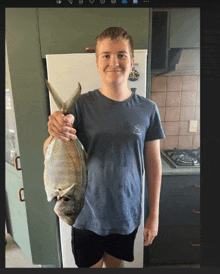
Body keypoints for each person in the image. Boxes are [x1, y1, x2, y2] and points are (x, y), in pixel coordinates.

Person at [44, 27, 165, 268]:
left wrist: (154, 216)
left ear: (132, 61)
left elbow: (153, 166)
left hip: (126, 214)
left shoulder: (148, 110)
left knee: (115, 266)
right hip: (85, 213)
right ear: (97, 62)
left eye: (121, 55)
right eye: (106, 55)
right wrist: (54, 130)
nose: (114, 62)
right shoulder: (80, 105)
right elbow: (50, 150)